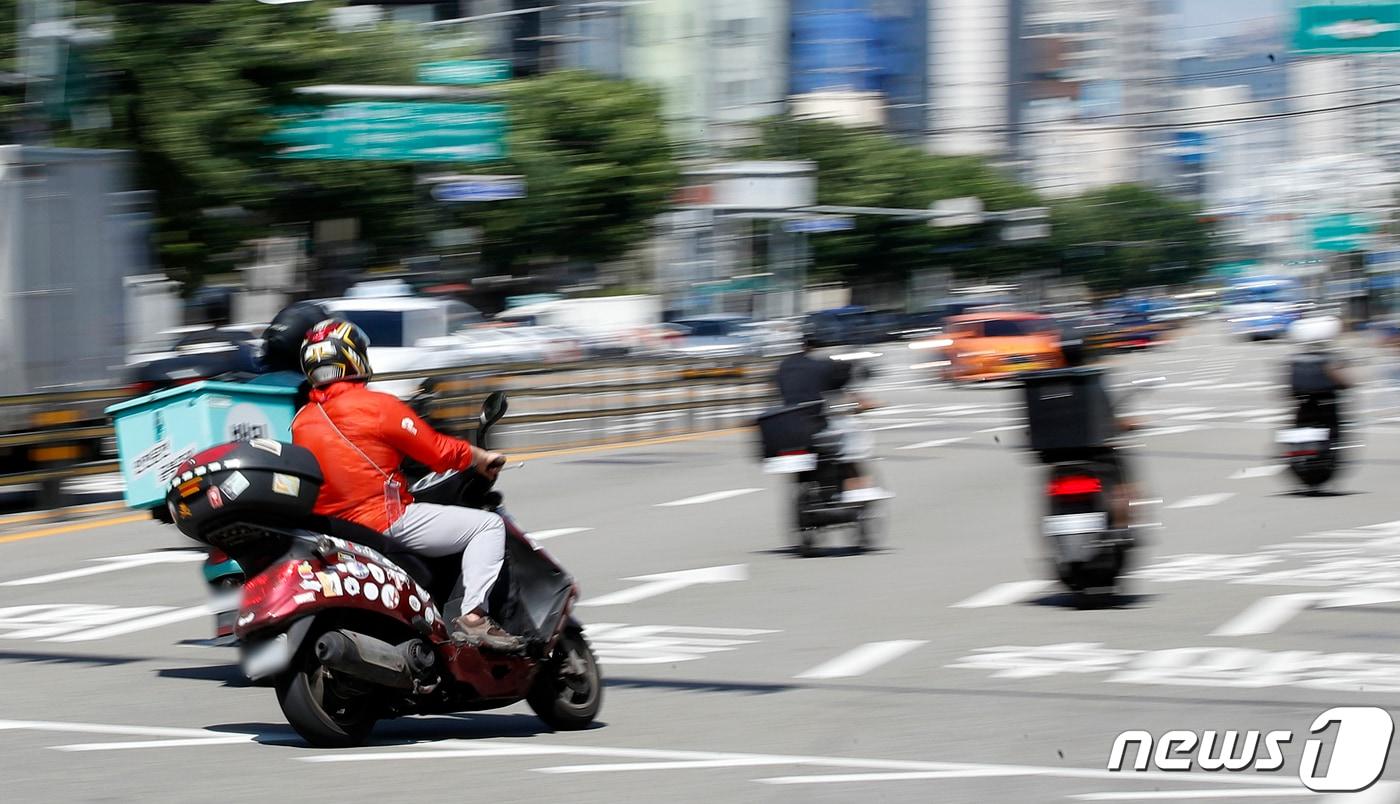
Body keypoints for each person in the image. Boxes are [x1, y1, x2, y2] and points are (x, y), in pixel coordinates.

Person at [291, 318, 523, 652]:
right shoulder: (378, 406)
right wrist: (478, 457)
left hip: (334, 531)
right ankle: (473, 616)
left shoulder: (302, 420)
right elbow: (439, 452)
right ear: (354, 358)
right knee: (488, 526)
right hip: (384, 519)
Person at [775, 332, 886, 503]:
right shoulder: (824, 365)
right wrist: (864, 404)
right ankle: (860, 488)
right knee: (854, 435)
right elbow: (844, 391)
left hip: (788, 428)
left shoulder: (783, 367)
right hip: (815, 425)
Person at [1286, 315, 1351, 441]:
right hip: (1327, 407)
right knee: (1335, 435)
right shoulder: (1330, 358)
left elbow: (1289, 387)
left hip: (1303, 406)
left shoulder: (1295, 359)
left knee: (1297, 431)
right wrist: (1346, 384)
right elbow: (1340, 379)